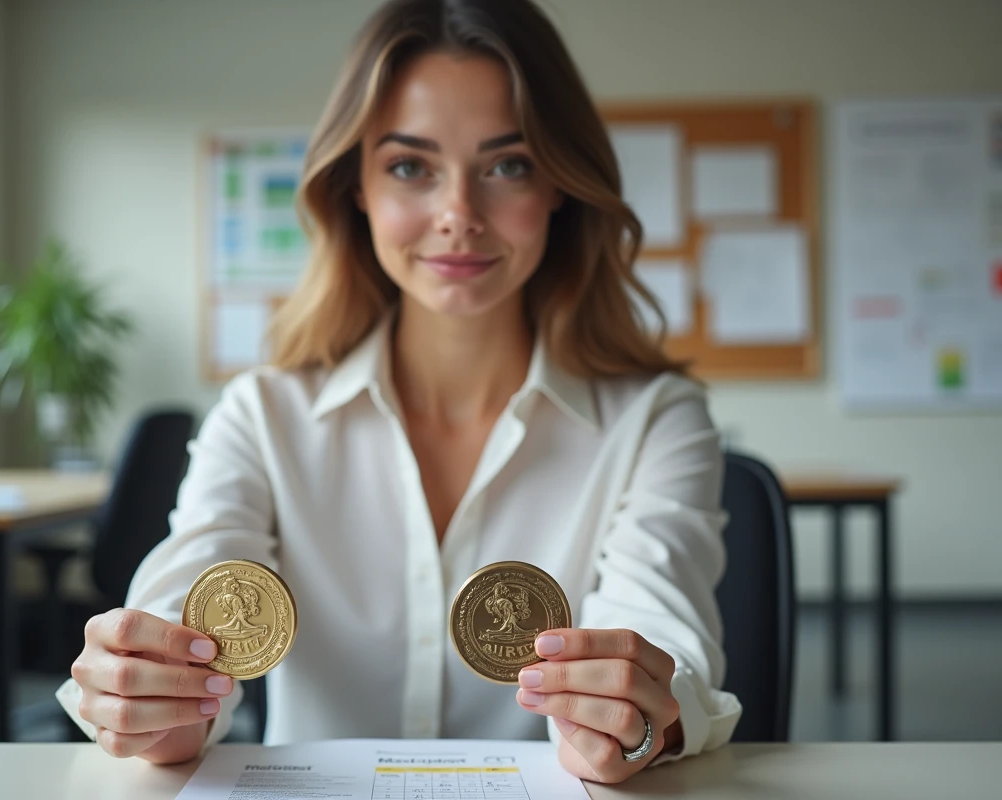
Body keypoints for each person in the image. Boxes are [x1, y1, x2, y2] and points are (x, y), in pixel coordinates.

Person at [58, 0, 741, 784]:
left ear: (559, 184)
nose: (458, 216)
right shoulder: (263, 415)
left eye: (507, 164)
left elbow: (662, 634)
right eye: (411, 166)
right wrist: (154, 704)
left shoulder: (658, 422)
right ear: (356, 187)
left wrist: (642, 715)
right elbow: (185, 600)